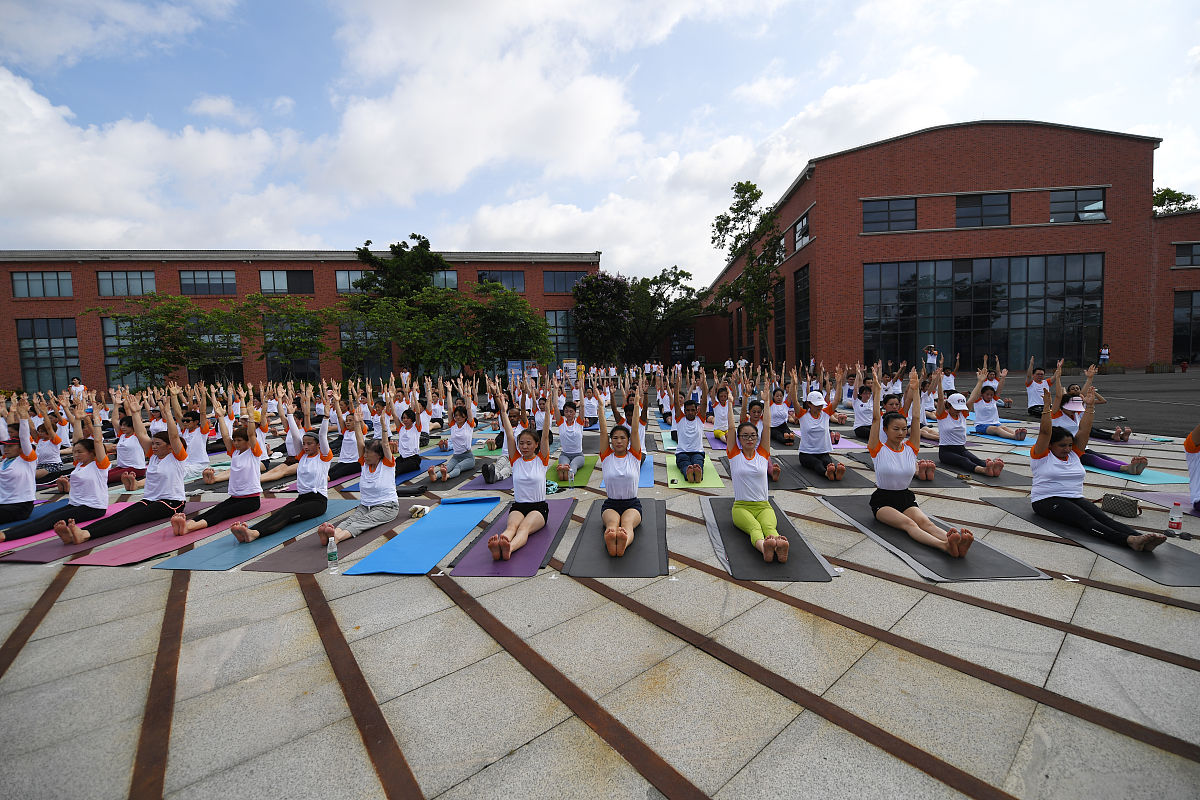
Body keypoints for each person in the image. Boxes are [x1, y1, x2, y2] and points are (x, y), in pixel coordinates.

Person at [1029, 385, 1165, 552]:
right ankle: (1130, 540)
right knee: (1086, 521)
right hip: (1046, 500)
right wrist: (1046, 407)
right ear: (1050, 445)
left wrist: (1090, 407)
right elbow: (1044, 433)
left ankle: (1141, 537)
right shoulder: (1042, 456)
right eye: (1062, 445)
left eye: (1070, 445)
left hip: (1074, 497)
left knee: (1107, 520)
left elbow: (1084, 430)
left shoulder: (1074, 454)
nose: (1067, 449)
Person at [53, 397, 189, 545]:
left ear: (170, 447)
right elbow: (141, 434)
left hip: (171, 502)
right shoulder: (153, 456)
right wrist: (135, 413)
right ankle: (76, 533)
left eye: (158, 444)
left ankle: (86, 535)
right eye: (153, 443)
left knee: (130, 518)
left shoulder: (177, 457)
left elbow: (173, 436)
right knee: (119, 514)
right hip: (150, 500)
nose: (154, 446)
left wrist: (167, 413)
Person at [868, 366, 973, 557]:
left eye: (903, 429)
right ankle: (945, 546)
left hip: (905, 498)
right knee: (909, 524)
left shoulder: (911, 448)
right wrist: (877, 390)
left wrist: (915, 390)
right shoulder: (878, 449)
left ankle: (956, 543)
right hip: (883, 501)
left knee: (926, 523)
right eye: (895, 429)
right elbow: (876, 419)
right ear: (886, 430)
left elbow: (916, 418)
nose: (901, 433)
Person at [169, 394, 263, 537]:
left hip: (251, 500)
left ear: (248, 443)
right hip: (235, 497)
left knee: (222, 513)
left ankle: (190, 528)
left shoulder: (253, 453)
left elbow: (251, 434)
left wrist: (250, 416)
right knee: (214, 510)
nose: (235, 443)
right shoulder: (235, 453)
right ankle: (188, 523)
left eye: (239, 441)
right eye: (235, 440)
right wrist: (220, 417)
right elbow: (225, 436)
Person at [231, 413, 333, 543]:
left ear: (318, 445)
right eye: (304, 444)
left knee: (287, 514)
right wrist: (289, 414)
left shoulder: (324, 458)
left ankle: (255, 534)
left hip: (318, 502)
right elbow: (295, 436)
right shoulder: (302, 456)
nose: (305, 447)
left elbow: (322, 436)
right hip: (302, 498)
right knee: (279, 512)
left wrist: (326, 418)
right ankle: (247, 531)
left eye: (309, 444)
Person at [318, 409, 399, 544]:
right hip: (365, 505)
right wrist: (357, 423)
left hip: (386, 507)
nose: (364, 455)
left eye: (368, 453)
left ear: (379, 455)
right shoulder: (364, 464)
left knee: (362, 522)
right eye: (364, 453)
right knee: (352, 519)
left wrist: (383, 424)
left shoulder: (387, 464)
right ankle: (332, 533)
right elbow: (360, 441)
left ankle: (337, 538)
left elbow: (385, 444)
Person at [487, 393, 552, 561]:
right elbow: (509, 435)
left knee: (523, 528)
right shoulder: (515, 460)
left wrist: (548, 410)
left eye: (529, 443)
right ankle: (500, 544)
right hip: (519, 505)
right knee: (511, 528)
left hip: (538, 508)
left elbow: (545, 435)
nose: (524, 447)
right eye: (521, 443)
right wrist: (503, 410)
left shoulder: (541, 460)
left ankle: (509, 548)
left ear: (536, 445)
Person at [725, 390, 788, 563]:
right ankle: (765, 549)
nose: (749, 439)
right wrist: (730, 403)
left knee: (769, 528)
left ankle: (779, 547)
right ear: (739, 439)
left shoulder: (763, 453)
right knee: (754, 528)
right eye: (745, 436)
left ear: (757, 437)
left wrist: (766, 402)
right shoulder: (734, 454)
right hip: (741, 507)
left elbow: (766, 426)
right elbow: (731, 428)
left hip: (764, 506)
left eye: (752, 435)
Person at [1050, 365, 1147, 475]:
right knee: (1092, 459)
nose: (1074, 410)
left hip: (1078, 444)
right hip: (1063, 448)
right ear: (1063, 406)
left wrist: (1089, 378)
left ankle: (1131, 466)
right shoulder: (1056, 414)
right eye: (1071, 408)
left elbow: (1083, 394)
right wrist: (1058, 377)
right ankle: (1125, 468)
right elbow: (1058, 396)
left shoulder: (1075, 413)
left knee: (1101, 456)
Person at [597, 382, 644, 556]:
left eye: (622, 438)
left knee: (626, 526)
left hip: (632, 504)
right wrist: (601, 407)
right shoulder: (606, 456)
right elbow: (603, 431)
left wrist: (637, 404)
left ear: (628, 441)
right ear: (611, 441)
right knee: (612, 525)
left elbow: (635, 430)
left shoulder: (634, 456)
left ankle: (623, 542)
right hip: (611, 504)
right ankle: (611, 538)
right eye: (615, 438)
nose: (618, 441)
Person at [935, 370, 1004, 477]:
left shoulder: (962, 414)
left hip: (961, 448)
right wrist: (939, 382)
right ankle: (983, 470)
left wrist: (980, 381)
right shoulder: (942, 415)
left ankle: (991, 467)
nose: (958, 410)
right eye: (956, 408)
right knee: (963, 460)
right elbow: (940, 399)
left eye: (960, 408)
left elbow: (972, 398)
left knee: (975, 459)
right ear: (949, 405)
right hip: (946, 452)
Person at [791, 365, 847, 481]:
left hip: (823, 452)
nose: (820, 407)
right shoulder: (802, 414)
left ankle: (836, 473)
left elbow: (836, 400)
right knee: (817, 464)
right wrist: (794, 384)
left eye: (821, 404)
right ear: (809, 404)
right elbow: (794, 400)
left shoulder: (825, 413)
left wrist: (839, 383)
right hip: (806, 454)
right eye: (817, 405)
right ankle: (827, 474)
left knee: (828, 463)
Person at [0, 397, 39, 525]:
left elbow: (24, 437)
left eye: (10, 447)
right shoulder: (5, 460)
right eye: (5, 447)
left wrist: (23, 417)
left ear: (21, 448)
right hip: (3, 503)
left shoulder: (27, 459)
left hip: (21, 506)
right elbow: (3, 433)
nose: (6, 449)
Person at [673, 372, 707, 483]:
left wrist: (704, 382)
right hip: (682, 452)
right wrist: (677, 385)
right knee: (685, 464)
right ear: (684, 411)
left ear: (697, 411)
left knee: (698, 463)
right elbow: (676, 402)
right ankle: (689, 474)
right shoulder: (680, 418)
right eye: (687, 410)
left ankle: (697, 474)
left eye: (693, 410)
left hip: (697, 452)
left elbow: (704, 402)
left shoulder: (700, 419)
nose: (690, 412)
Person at [430, 405, 476, 482]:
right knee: (447, 467)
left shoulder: (469, 425)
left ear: (465, 416)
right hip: (456, 456)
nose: (458, 417)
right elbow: (450, 408)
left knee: (458, 467)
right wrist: (448, 395)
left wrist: (468, 397)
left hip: (468, 457)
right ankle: (435, 476)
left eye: (460, 415)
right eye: (456, 415)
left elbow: (468, 408)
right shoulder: (453, 425)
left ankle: (447, 476)